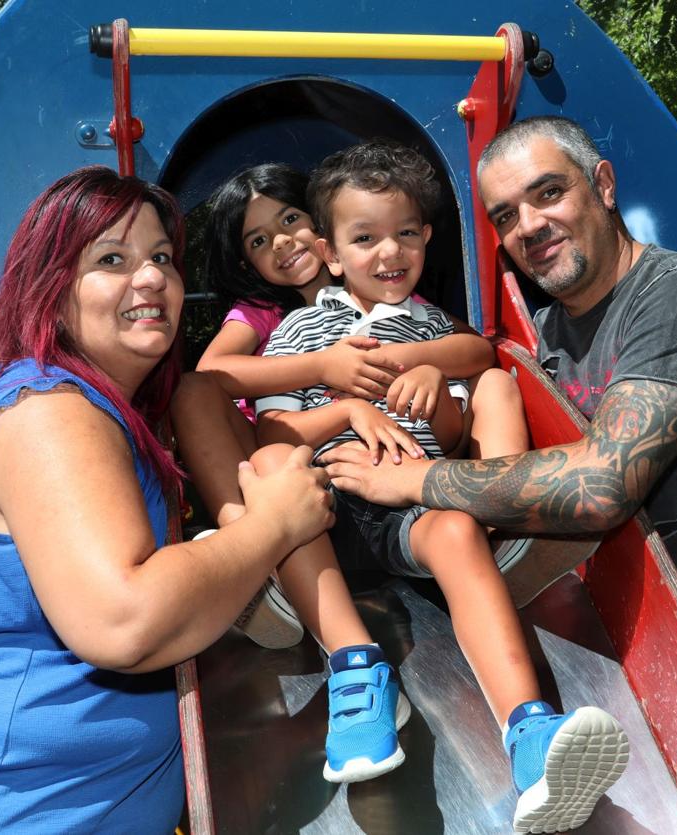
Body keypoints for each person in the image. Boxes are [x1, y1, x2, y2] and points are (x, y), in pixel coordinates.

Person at [321, 117, 677, 833]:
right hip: (623, 690)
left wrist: (412, 484)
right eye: (506, 215)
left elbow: (598, 486)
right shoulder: (546, 342)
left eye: (549, 193)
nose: (531, 224)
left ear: (601, 185)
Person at [0, 168, 334, 834]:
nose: (150, 278)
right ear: (50, 290)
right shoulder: (50, 410)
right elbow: (125, 619)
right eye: (112, 259)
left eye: (161, 258)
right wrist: (274, 525)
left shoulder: (100, 413)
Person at [251, 140, 628, 833]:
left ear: (426, 237)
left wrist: (434, 390)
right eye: (364, 238)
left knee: (454, 527)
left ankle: (531, 735)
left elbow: (454, 434)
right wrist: (335, 417)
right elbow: (274, 434)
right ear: (331, 253)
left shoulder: (430, 326)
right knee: (278, 482)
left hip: (412, 504)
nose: (388, 252)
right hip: (325, 508)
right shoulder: (302, 330)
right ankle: (355, 676)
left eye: (404, 233)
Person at [170, 163, 554, 648]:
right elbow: (214, 372)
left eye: (290, 221)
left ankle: (500, 514)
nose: (283, 243)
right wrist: (323, 368)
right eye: (259, 241)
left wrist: (403, 359)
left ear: (324, 231)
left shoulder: (397, 296)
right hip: (289, 454)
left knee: (494, 381)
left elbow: (475, 348)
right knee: (192, 395)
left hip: (410, 447)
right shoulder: (268, 315)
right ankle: (254, 551)